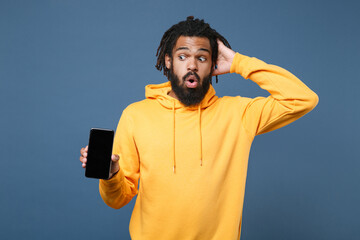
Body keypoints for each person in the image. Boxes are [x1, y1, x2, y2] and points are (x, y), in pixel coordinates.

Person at [79, 16, 318, 240]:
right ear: (168, 61)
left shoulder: (239, 114)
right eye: (183, 57)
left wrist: (238, 62)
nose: (192, 65)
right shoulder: (136, 115)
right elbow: (118, 199)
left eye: (202, 58)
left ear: (214, 65)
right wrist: (110, 174)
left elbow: (302, 99)